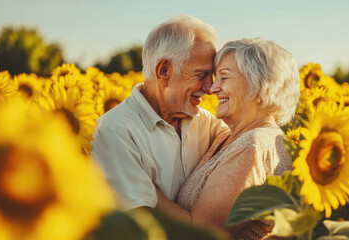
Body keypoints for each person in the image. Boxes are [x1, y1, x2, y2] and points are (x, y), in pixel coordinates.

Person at [155, 38, 300, 239]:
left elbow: (201, 233)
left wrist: (139, 186)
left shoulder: (252, 146)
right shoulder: (231, 136)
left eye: (224, 78)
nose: (212, 88)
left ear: (259, 85)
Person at [90, 15, 227, 211]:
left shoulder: (205, 122)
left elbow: (242, 147)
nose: (210, 87)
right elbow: (142, 223)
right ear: (164, 71)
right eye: (202, 74)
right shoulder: (115, 131)